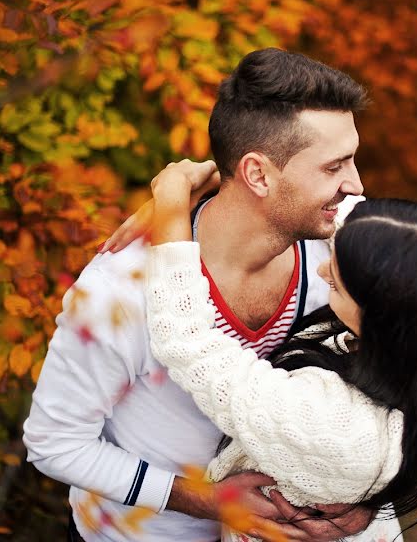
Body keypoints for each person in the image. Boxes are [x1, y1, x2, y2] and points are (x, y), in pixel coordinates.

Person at [23, 48, 377, 541]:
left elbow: (413, 379)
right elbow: (53, 444)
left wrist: (370, 502)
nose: (356, 185)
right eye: (334, 166)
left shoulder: (339, 262)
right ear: (257, 174)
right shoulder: (119, 293)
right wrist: (204, 501)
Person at [135, 159, 417, 541]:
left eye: (338, 282)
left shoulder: (332, 422)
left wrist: (172, 205)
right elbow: (357, 226)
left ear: (384, 319)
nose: (324, 272)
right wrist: (248, 174)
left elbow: (187, 341)